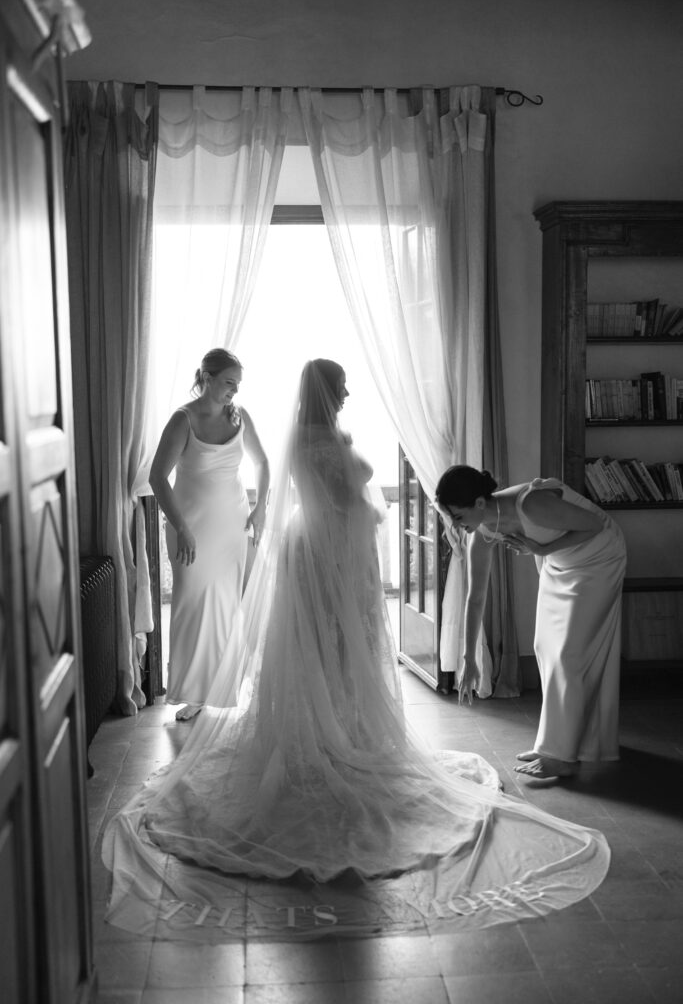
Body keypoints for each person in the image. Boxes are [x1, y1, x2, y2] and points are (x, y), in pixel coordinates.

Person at [103, 362, 611, 941]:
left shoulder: (312, 436)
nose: (348, 391)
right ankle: (330, 741)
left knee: (333, 654)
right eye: (341, 384)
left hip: (324, 548)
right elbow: (345, 501)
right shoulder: (317, 440)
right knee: (334, 651)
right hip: (330, 553)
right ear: (326, 389)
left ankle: (337, 736)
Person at [435, 465, 627, 778]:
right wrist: (469, 657)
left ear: (479, 504)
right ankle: (559, 743)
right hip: (559, 562)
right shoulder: (482, 532)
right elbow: (475, 598)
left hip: (598, 558)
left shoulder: (531, 504)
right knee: (544, 645)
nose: (456, 525)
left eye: (458, 516)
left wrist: (541, 549)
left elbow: (595, 525)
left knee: (569, 653)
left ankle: (562, 757)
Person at [150, 348, 269, 721]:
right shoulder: (183, 420)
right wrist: (180, 527)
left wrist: (261, 505)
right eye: (229, 382)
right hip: (191, 530)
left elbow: (263, 462)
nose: (235, 390)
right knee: (191, 605)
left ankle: (224, 688)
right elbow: (157, 477)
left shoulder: (241, 417)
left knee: (226, 606)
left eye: (238, 384)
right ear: (207, 377)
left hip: (232, 526)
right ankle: (192, 692)